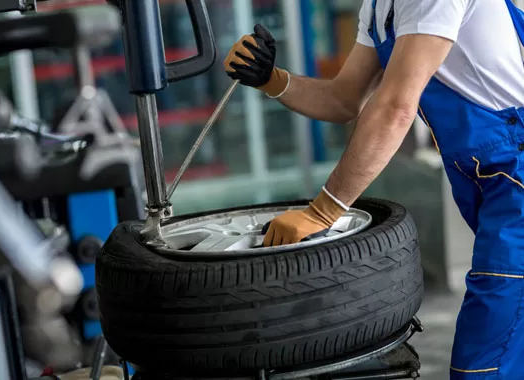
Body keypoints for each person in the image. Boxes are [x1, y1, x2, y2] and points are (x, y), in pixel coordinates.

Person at [223, 0, 524, 379]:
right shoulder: (380, 7)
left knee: (484, 362)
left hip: (515, 175)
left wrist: (322, 212)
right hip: (491, 179)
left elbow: (396, 105)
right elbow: (344, 99)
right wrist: (272, 79)